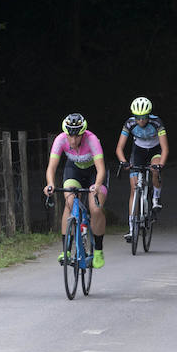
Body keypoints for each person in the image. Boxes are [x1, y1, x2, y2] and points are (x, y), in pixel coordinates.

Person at [43, 112, 108, 269]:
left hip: (94, 173)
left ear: (83, 133)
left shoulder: (92, 140)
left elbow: (101, 169)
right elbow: (51, 167)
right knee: (70, 202)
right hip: (74, 171)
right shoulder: (60, 140)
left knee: (96, 208)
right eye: (70, 136)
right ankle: (66, 250)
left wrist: (97, 185)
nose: (73, 140)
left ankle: (98, 250)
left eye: (77, 136)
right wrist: (50, 184)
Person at [115, 95, 169, 243]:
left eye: (144, 117)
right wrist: (123, 162)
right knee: (134, 189)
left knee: (155, 169)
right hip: (138, 151)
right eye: (138, 118)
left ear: (148, 115)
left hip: (155, 150)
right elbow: (119, 148)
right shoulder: (129, 123)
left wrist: (160, 165)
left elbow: (165, 148)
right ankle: (132, 228)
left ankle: (156, 198)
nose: (141, 121)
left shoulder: (156, 123)